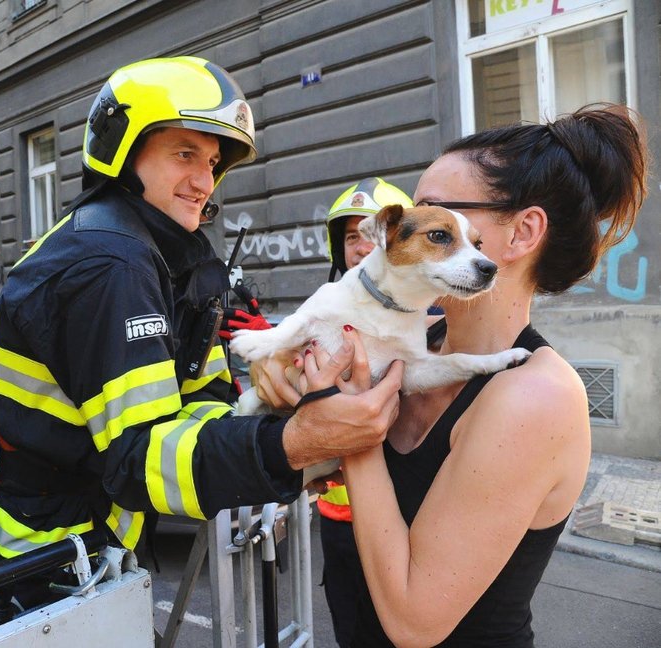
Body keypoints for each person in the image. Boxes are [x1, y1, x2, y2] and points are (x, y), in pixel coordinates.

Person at [0, 56, 404, 608]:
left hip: (78, 541)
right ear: (122, 152)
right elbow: (137, 459)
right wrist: (290, 446)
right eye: (184, 154)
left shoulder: (171, 260)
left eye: (211, 162)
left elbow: (197, 401)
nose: (204, 182)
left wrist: (269, 414)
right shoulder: (110, 265)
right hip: (20, 550)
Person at [269, 104, 647, 647]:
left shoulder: (533, 395)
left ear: (521, 233)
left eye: (434, 209)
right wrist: (293, 407)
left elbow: (414, 621)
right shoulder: (415, 341)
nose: (413, 224)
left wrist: (353, 433)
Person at [319, 177, 413, 648]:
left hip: (404, 521)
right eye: (351, 236)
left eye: (370, 234)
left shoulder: (427, 312)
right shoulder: (329, 307)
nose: (360, 246)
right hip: (338, 519)